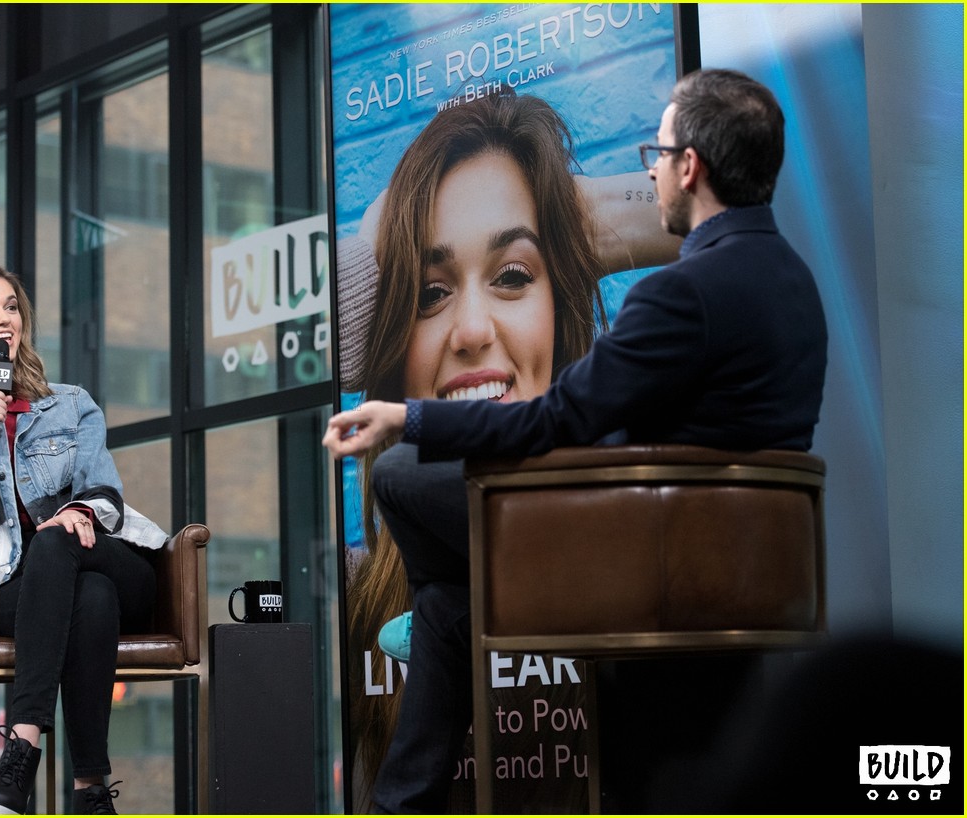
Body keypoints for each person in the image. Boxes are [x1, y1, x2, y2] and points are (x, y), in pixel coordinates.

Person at [323, 68, 828, 812]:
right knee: (445, 614)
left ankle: (410, 766)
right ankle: (414, 762)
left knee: (399, 473)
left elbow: (557, 421)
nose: (650, 169)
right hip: (738, 563)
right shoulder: (794, 283)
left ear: (690, 167)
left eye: (657, 155)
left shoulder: (683, 293)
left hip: (644, 559)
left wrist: (413, 419)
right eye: (432, 290)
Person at [333, 88, 679, 806]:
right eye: (429, 294)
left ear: (561, 305)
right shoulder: (353, 591)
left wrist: (568, 212)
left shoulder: (632, 533)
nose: (469, 331)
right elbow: (305, 349)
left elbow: (729, 228)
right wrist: (376, 244)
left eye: (515, 276)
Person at [0, 261, 169, 815]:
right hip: (7, 591)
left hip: (110, 559)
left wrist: (75, 513)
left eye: (12, 306)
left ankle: (19, 753)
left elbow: (107, 497)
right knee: (90, 599)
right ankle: (90, 790)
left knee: (59, 542)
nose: (4, 319)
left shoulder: (69, 402)